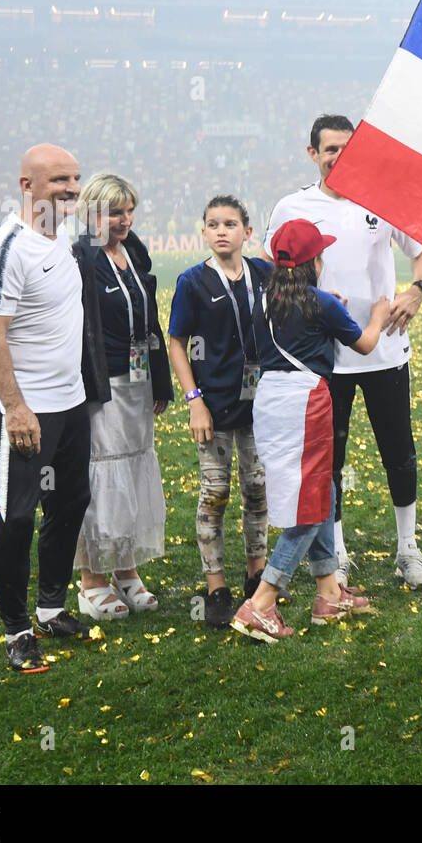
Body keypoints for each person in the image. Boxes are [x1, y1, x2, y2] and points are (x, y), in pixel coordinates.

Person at [265, 116, 422, 590]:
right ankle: (336, 554)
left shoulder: (383, 199)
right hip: (327, 360)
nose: (339, 156)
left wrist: (418, 288)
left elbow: (421, 253)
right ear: (312, 153)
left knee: (398, 454)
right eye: (330, 149)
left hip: (385, 351)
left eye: (348, 148)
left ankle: (407, 548)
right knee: (330, 459)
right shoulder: (292, 206)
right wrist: (302, 305)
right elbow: (271, 264)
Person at [231, 220, 387, 641]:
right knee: (310, 504)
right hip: (307, 403)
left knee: (321, 491)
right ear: (313, 261)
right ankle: (261, 603)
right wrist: (379, 312)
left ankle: (328, 592)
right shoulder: (321, 303)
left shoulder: (263, 300)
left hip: (272, 401)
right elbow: (366, 344)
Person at [0, 144, 95, 674]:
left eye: (74, 178)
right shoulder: (7, 247)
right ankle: (17, 631)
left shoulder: (61, 232)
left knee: (70, 504)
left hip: (70, 403)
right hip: (25, 409)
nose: (70, 188)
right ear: (27, 185)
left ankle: (50, 607)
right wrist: (16, 407)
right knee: (18, 517)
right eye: (58, 180)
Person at [70, 173, 172, 620]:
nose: (125, 219)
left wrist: (161, 380)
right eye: (115, 212)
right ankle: (90, 580)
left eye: (129, 210)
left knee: (132, 473)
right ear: (92, 213)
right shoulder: (79, 257)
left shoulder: (134, 252)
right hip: (99, 383)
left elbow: (150, 320)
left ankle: (125, 572)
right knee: (99, 479)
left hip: (138, 381)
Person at [167, 196, 271, 628]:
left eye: (231, 223)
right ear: (204, 233)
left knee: (258, 489)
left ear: (247, 232)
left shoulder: (264, 274)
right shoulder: (192, 282)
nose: (222, 230)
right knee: (215, 493)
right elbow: (176, 342)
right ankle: (216, 588)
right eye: (213, 224)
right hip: (213, 404)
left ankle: (256, 578)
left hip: (261, 403)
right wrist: (195, 402)